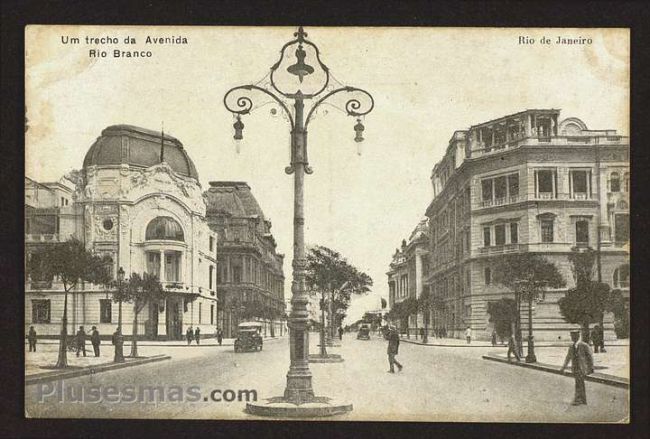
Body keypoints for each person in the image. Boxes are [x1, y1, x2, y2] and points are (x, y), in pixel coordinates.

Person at [560, 329, 595, 405]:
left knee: (579, 382)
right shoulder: (571, 346)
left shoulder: (584, 345)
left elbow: (590, 357)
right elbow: (568, 358)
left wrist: (591, 368)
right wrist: (563, 367)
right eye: (572, 336)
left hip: (582, 368)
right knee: (579, 383)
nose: (573, 338)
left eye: (574, 336)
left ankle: (578, 399)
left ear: (578, 336)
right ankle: (583, 400)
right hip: (575, 368)